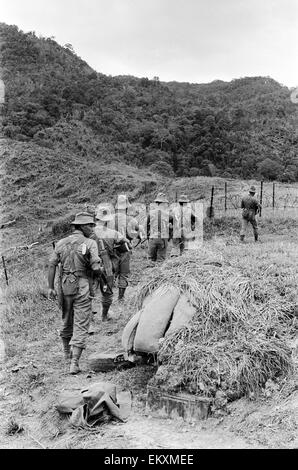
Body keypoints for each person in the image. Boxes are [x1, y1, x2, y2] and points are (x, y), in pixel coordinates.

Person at [48, 212, 102, 374]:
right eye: (89, 226)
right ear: (82, 227)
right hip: (82, 285)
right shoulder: (90, 243)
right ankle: (74, 363)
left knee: (66, 318)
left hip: (64, 286)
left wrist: (50, 287)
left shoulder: (60, 243)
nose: (92, 228)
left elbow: (52, 265)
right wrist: (100, 273)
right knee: (81, 321)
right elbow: (95, 267)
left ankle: (66, 353)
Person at [91, 206, 131, 321]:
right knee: (107, 291)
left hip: (90, 264)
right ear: (108, 220)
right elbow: (126, 242)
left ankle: (89, 317)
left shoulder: (88, 233)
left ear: (96, 218)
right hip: (106, 264)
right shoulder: (113, 233)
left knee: (88, 290)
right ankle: (104, 316)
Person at [112, 194, 143, 302]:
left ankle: (108, 296)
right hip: (125, 249)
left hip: (112, 250)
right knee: (124, 273)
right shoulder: (131, 220)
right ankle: (120, 298)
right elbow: (139, 234)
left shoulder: (110, 219)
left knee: (111, 272)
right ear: (126, 207)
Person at [147, 193, 173, 262]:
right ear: (164, 203)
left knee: (151, 260)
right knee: (160, 260)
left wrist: (148, 237)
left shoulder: (150, 213)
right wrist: (170, 236)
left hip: (152, 238)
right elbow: (173, 227)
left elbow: (146, 227)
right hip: (163, 239)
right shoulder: (168, 215)